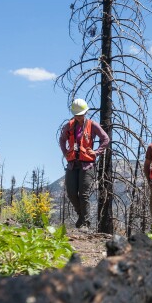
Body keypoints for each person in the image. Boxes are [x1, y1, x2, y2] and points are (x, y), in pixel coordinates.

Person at [59, 98, 110, 229]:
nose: (79, 117)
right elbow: (62, 139)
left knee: (84, 194)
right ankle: (81, 217)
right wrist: (66, 154)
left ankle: (85, 223)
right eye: (77, 115)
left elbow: (105, 139)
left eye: (81, 114)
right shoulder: (69, 126)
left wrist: (97, 152)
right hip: (72, 164)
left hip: (87, 165)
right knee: (71, 192)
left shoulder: (92, 125)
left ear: (85, 112)